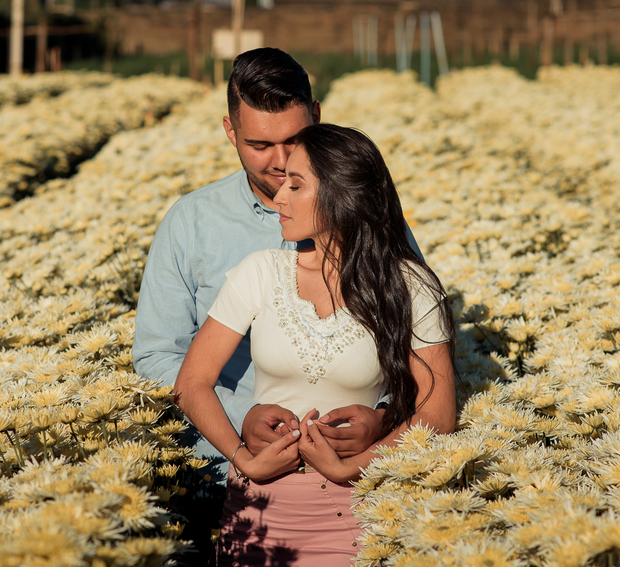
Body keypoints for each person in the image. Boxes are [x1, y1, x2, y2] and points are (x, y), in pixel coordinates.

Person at [133, 49, 412, 564]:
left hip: (360, 486)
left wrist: (383, 418)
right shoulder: (191, 223)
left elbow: (408, 343)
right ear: (230, 132)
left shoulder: (370, 224)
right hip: (220, 478)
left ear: (319, 118)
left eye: (293, 140)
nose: (279, 162)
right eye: (260, 144)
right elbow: (157, 357)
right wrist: (246, 426)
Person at [174, 124, 456, 566]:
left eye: (296, 184)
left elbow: (438, 413)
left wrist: (357, 464)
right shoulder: (259, 272)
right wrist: (242, 458)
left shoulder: (410, 287)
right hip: (258, 511)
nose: (279, 197)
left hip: (364, 512)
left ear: (342, 195)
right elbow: (191, 383)